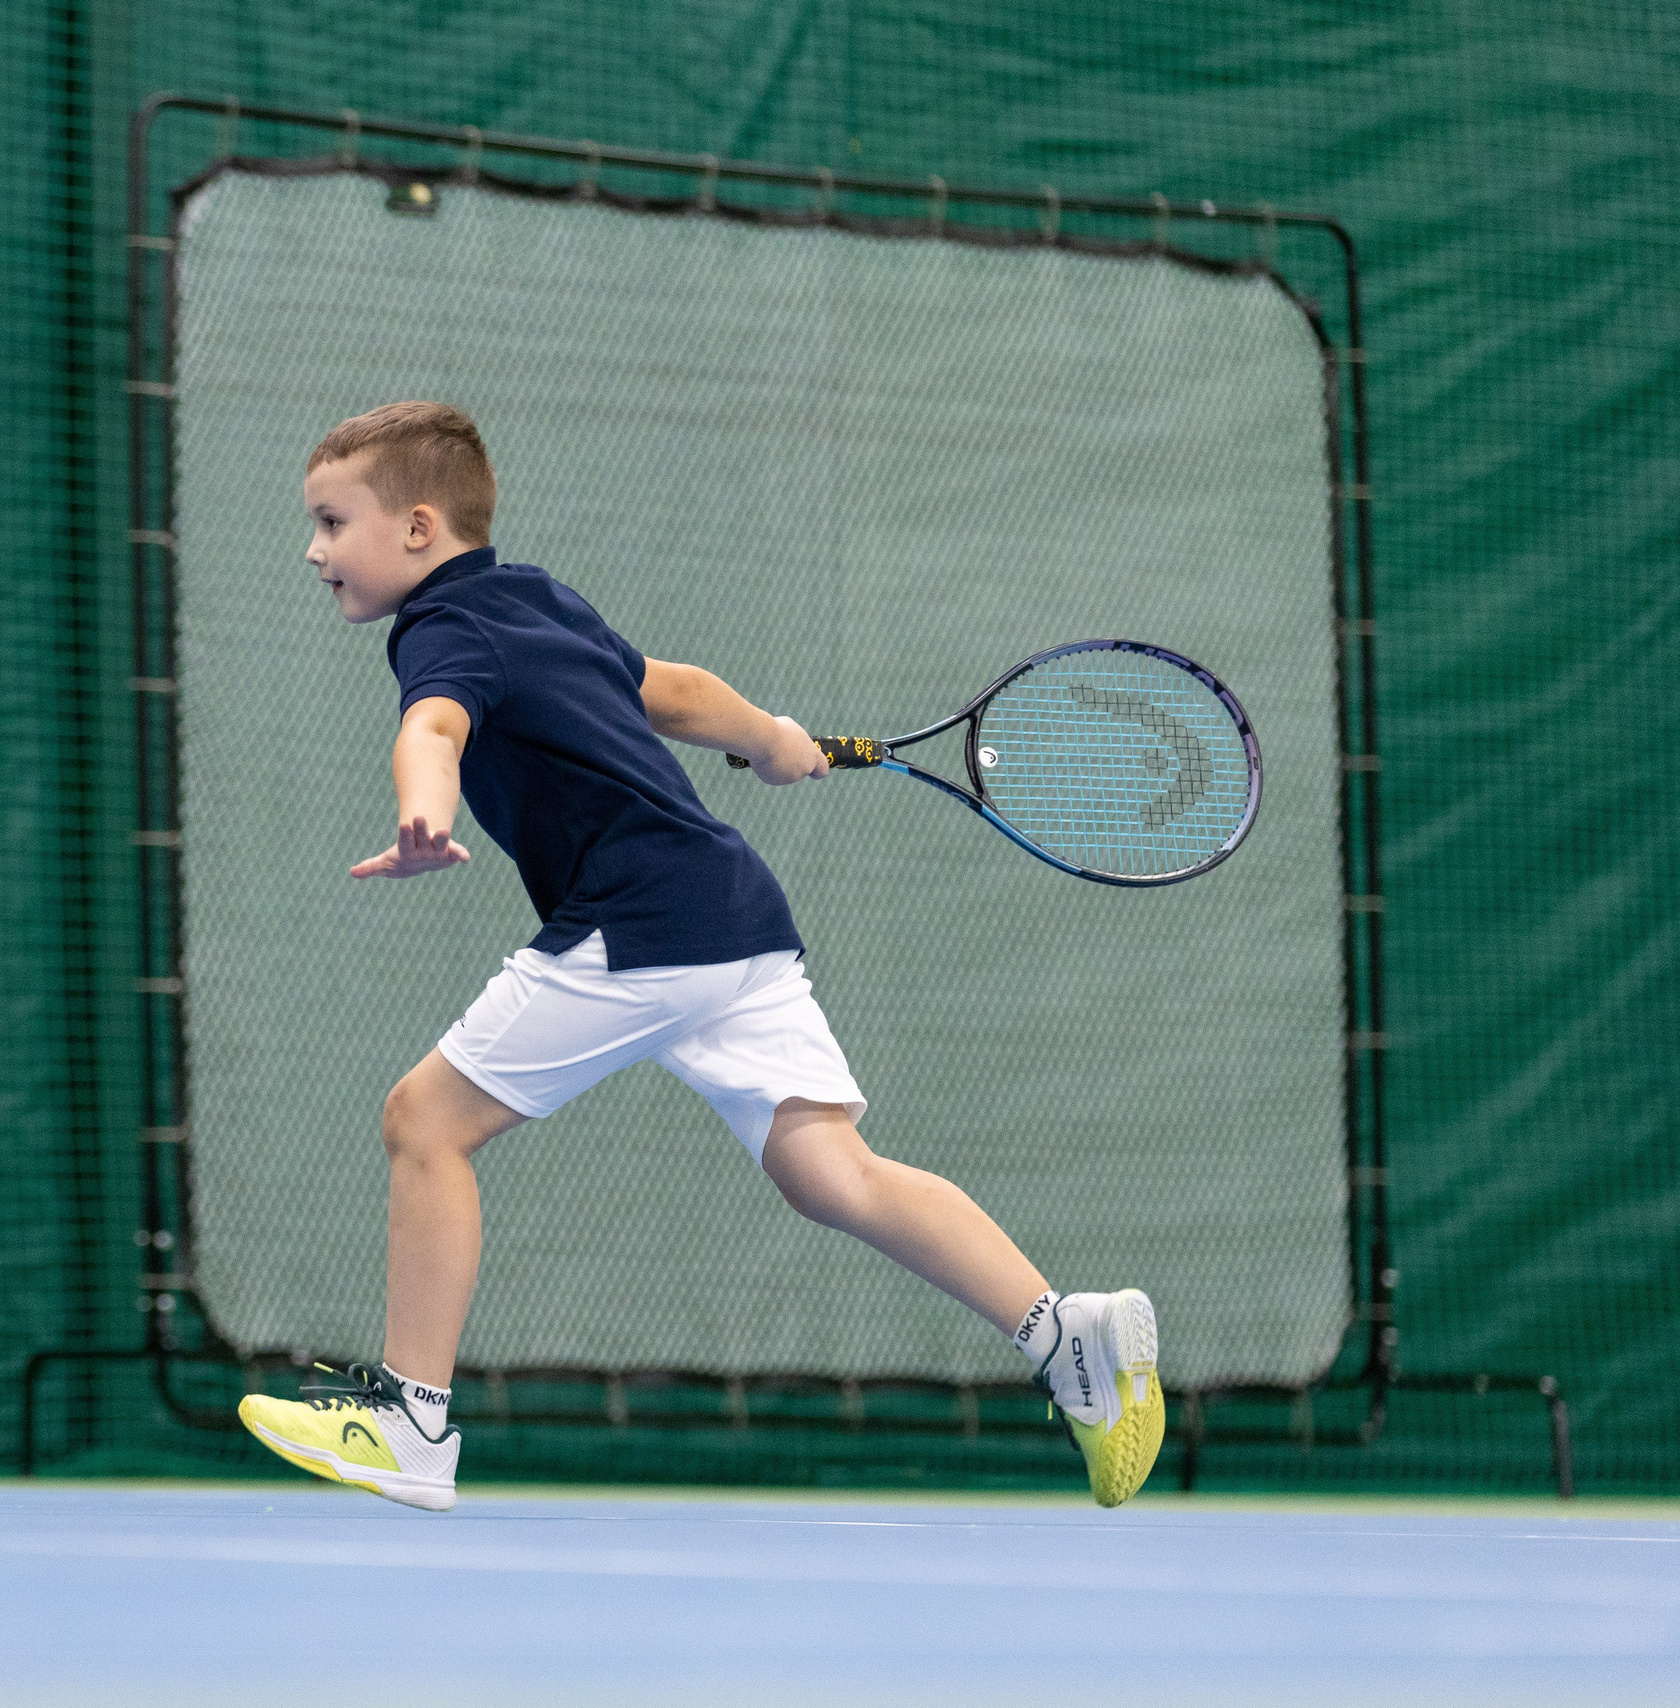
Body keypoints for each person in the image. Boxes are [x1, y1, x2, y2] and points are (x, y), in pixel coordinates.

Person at [235, 401, 1163, 1512]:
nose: (314, 549)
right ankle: (1066, 1335)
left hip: (637, 925)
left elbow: (432, 728)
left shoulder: (441, 630)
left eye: (333, 522)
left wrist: (425, 812)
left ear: (421, 528)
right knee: (832, 1171)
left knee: (423, 1123)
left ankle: (409, 1420)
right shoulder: (539, 596)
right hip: (729, 917)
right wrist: (770, 738)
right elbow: (674, 691)